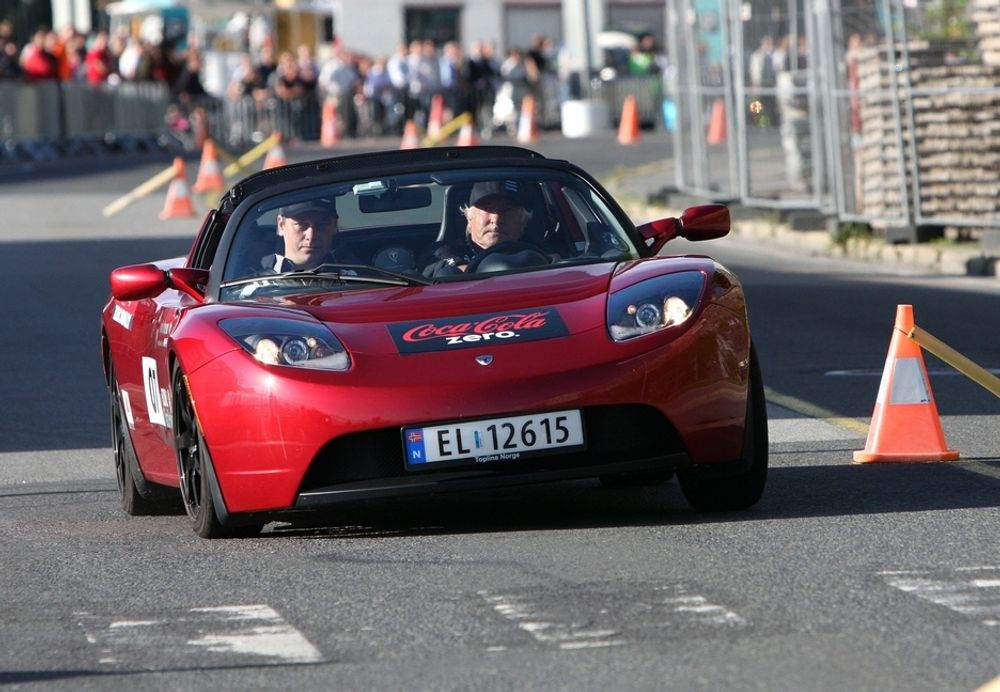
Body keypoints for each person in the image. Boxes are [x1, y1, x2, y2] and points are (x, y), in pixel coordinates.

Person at [422, 181, 531, 277]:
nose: (496, 219)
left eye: (507, 210)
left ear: (523, 221)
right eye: (487, 209)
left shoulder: (540, 253)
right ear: (469, 217)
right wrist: (460, 269)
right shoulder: (444, 252)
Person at [259, 198, 356, 274]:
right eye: (301, 225)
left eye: (321, 225)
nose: (311, 236)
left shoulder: (355, 283)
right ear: (281, 225)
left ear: (334, 226)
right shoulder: (252, 288)